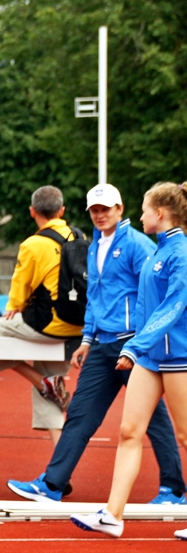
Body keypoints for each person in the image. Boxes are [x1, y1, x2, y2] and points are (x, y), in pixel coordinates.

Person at [7, 183, 185, 505]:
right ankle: (53, 484)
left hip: (133, 346)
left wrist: (139, 341)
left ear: (120, 209)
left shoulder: (138, 244)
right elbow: (95, 297)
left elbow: (154, 294)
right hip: (103, 346)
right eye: (95, 210)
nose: (100, 215)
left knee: (154, 420)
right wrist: (87, 339)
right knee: (80, 413)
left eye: (106, 209)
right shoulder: (90, 248)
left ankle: (173, 489)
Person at [71, 181, 187, 539]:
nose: (140, 214)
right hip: (151, 357)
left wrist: (135, 345)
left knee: (185, 434)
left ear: (161, 214)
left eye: (144, 208)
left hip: (178, 356)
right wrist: (136, 347)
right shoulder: (158, 251)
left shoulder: (180, 253)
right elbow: (144, 307)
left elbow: (174, 306)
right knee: (129, 431)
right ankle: (112, 515)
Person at [0, 186, 83, 448]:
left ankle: (41, 380)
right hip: (77, 325)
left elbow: (21, 284)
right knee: (49, 394)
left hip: (47, 324)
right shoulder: (80, 237)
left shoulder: (33, 244)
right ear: (62, 211)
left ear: (32, 211)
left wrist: (14, 306)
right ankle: (60, 466)